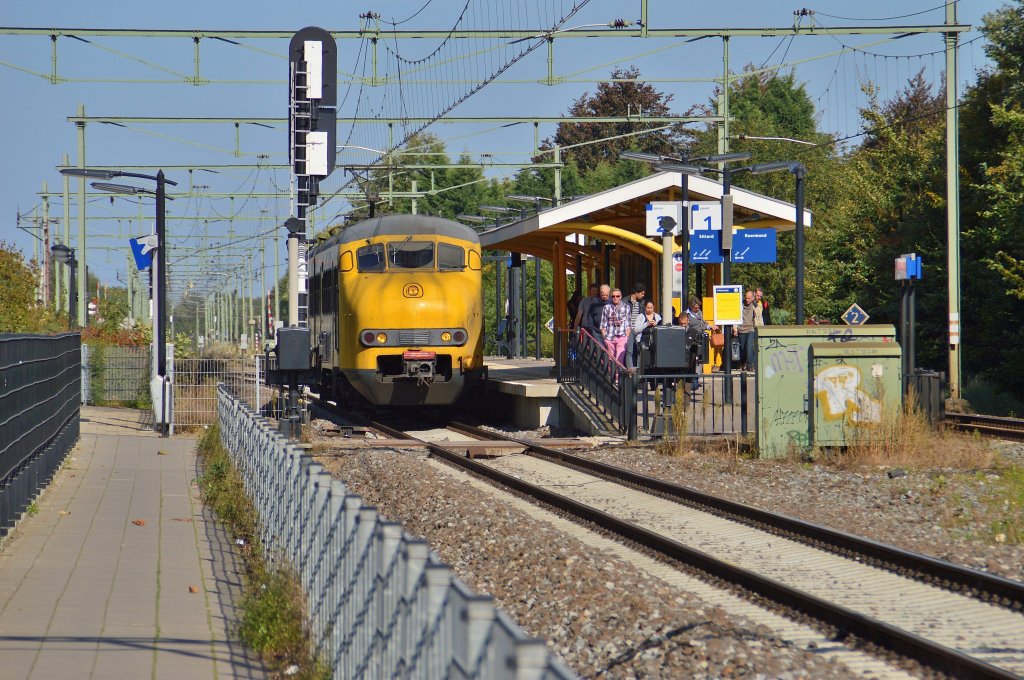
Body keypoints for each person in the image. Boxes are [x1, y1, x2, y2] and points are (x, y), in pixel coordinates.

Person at [600, 287, 631, 364]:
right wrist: (605, 338)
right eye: (613, 296)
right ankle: (612, 376)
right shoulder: (606, 307)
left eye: (617, 296)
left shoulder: (626, 307)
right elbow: (603, 324)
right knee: (611, 359)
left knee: (619, 359)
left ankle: (617, 376)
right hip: (609, 337)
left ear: (620, 297)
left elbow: (628, 324)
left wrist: (626, 337)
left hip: (622, 336)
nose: (615, 298)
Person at [734, 290, 757, 371]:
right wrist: (735, 329)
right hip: (741, 329)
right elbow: (736, 316)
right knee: (743, 349)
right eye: (746, 298)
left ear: (752, 298)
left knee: (749, 347)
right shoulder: (740, 305)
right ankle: (742, 363)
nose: (747, 299)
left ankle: (749, 365)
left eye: (749, 298)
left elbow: (758, 318)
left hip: (750, 329)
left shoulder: (755, 305)